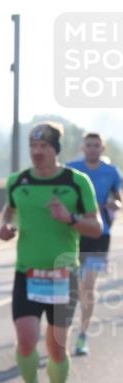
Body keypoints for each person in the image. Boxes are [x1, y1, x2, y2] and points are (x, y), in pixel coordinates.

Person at [0, 122, 101, 383]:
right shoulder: (18, 181)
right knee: (26, 342)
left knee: (56, 349)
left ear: (56, 149)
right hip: (26, 274)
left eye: (43, 146)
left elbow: (96, 227)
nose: (37, 152)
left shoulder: (76, 182)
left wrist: (68, 219)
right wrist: (7, 227)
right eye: (33, 146)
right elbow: (10, 211)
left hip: (62, 275)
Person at [66, 132, 122, 356]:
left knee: (87, 287)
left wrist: (114, 203)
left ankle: (83, 335)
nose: (92, 149)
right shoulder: (71, 169)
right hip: (72, 232)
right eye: (88, 145)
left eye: (96, 145)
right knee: (70, 287)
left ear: (102, 149)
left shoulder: (111, 172)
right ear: (82, 148)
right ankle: (62, 331)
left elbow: (119, 198)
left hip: (100, 234)